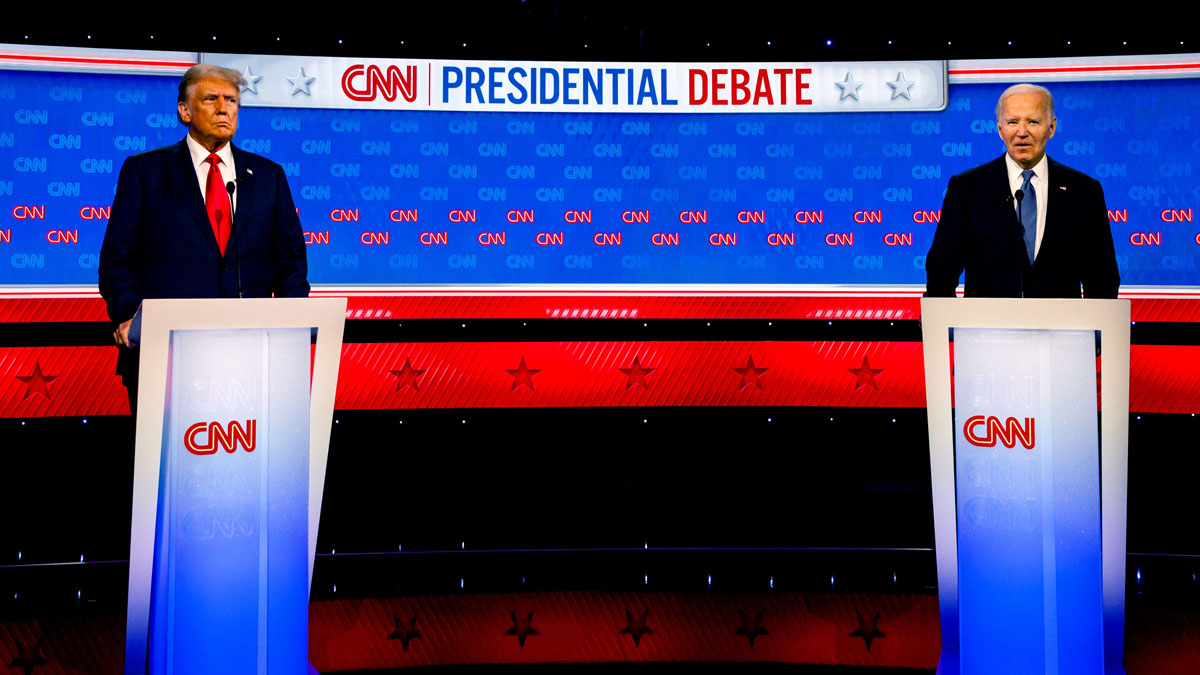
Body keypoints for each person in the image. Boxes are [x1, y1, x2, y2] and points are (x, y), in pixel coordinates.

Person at [99, 64, 309, 411]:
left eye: (232, 100)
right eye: (211, 98)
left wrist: (293, 326)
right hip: (166, 351)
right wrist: (129, 316)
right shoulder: (145, 172)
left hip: (251, 353)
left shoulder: (268, 176)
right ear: (185, 110)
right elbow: (117, 258)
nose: (223, 108)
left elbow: (290, 257)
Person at [923, 83, 1120, 298]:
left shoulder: (1084, 191)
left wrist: (1097, 326)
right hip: (986, 327)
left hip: (1063, 328)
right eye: (1012, 122)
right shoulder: (968, 188)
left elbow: (1103, 276)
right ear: (1000, 128)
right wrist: (941, 318)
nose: (1022, 132)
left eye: (1033, 122)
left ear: (1051, 128)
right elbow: (942, 269)